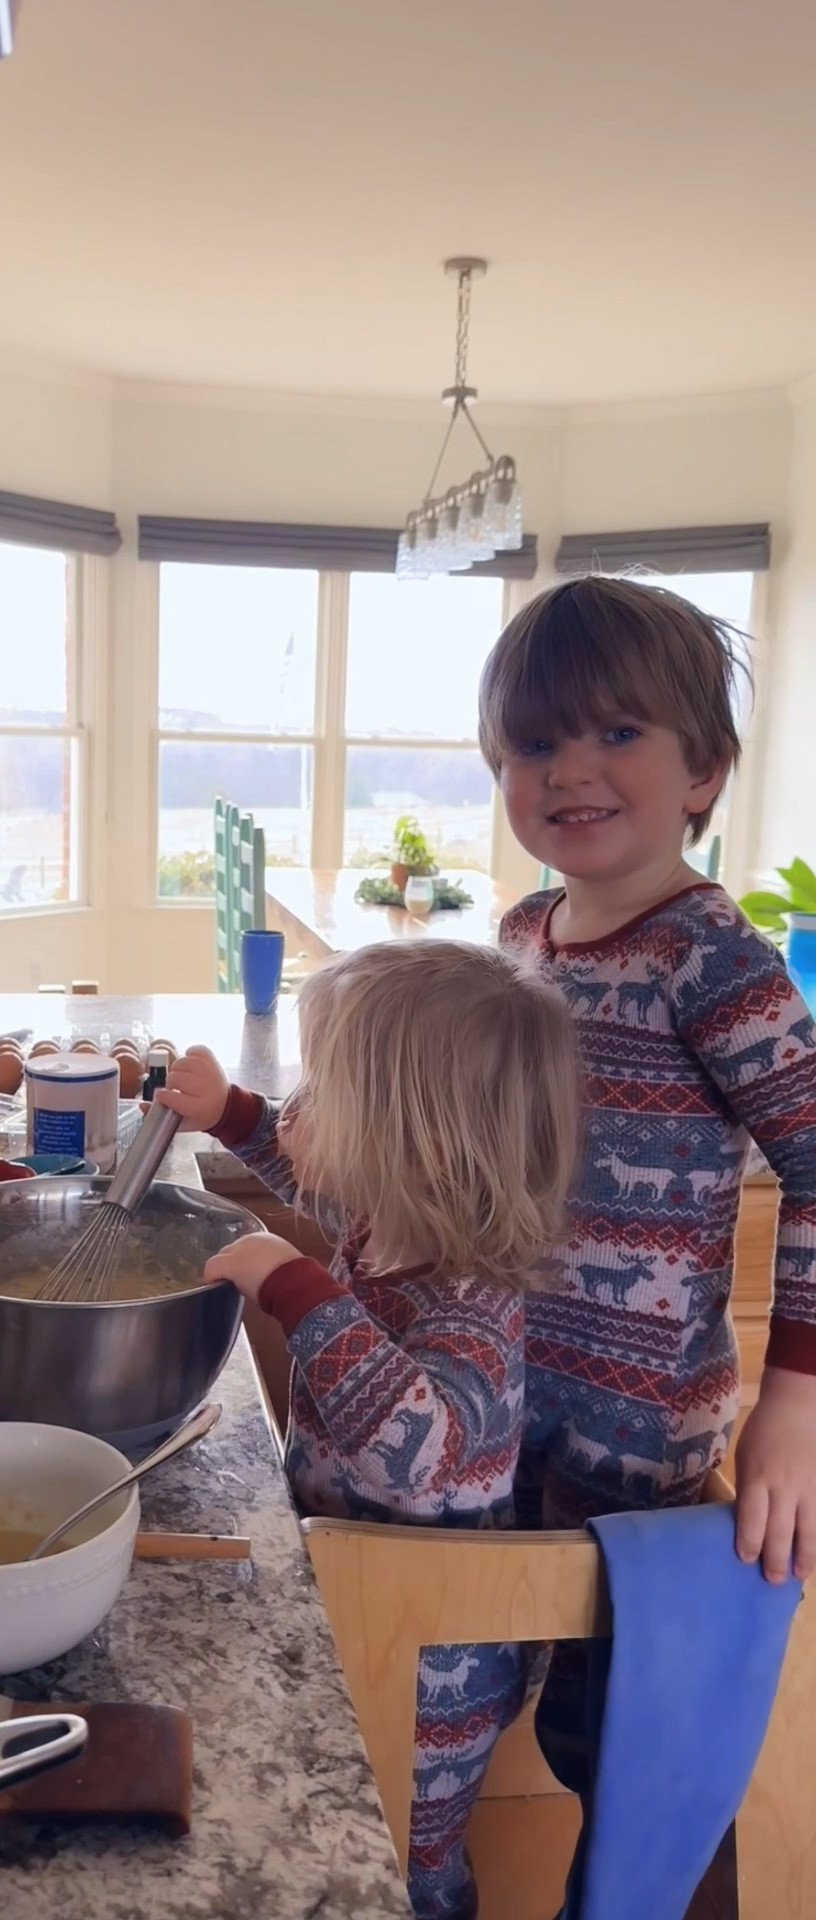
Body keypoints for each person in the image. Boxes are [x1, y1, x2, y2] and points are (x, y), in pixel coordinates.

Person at [476, 575, 816, 1841]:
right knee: (481, 1668)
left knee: (610, 1738)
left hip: (636, 1439)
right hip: (497, 1392)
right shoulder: (523, 932)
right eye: (534, 743)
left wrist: (796, 1402)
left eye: (618, 731)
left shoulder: (710, 958)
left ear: (705, 771)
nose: (570, 769)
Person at [158, 940, 581, 1920]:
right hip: (367, 1601)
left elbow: (414, 1450)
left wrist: (292, 1285)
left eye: (324, 1093)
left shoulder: (472, 1310)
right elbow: (317, 1166)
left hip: (435, 1665)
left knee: (404, 1856)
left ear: (417, 1148)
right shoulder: (395, 1215)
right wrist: (233, 1114)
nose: (296, 1112)